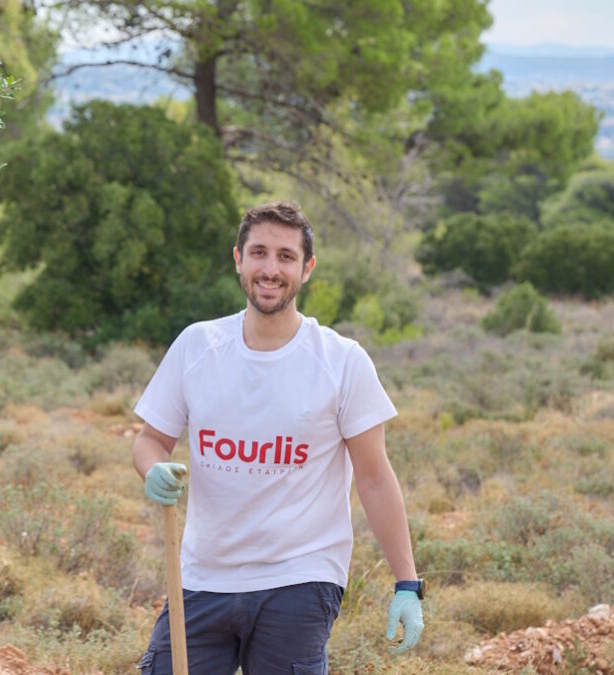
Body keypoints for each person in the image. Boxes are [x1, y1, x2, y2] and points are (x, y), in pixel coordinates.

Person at [132, 201, 423, 674]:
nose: (271, 269)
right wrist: (153, 469)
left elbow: (374, 478)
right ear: (238, 260)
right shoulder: (196, 346)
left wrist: (407, 584)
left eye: (286, 257)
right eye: (259, 253)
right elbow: (150, 441)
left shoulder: (342, 361)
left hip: (300, 578)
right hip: (203, 577)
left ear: (306, 268)